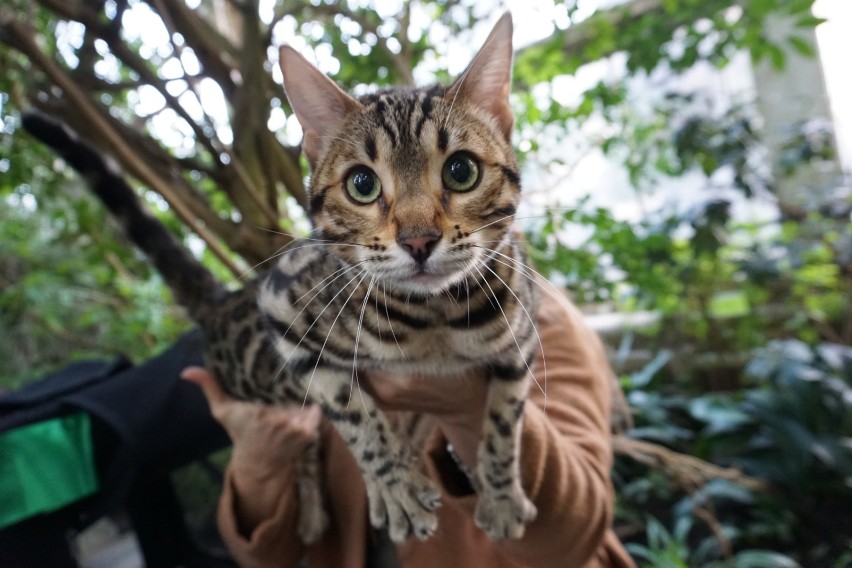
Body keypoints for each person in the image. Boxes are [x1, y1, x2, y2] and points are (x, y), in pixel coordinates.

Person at [182, 289, 637, 568]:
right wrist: (260, 465)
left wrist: (471, 411)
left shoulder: (540, 322)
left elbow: (572, 543)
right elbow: (268, 559)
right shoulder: (336, 317)